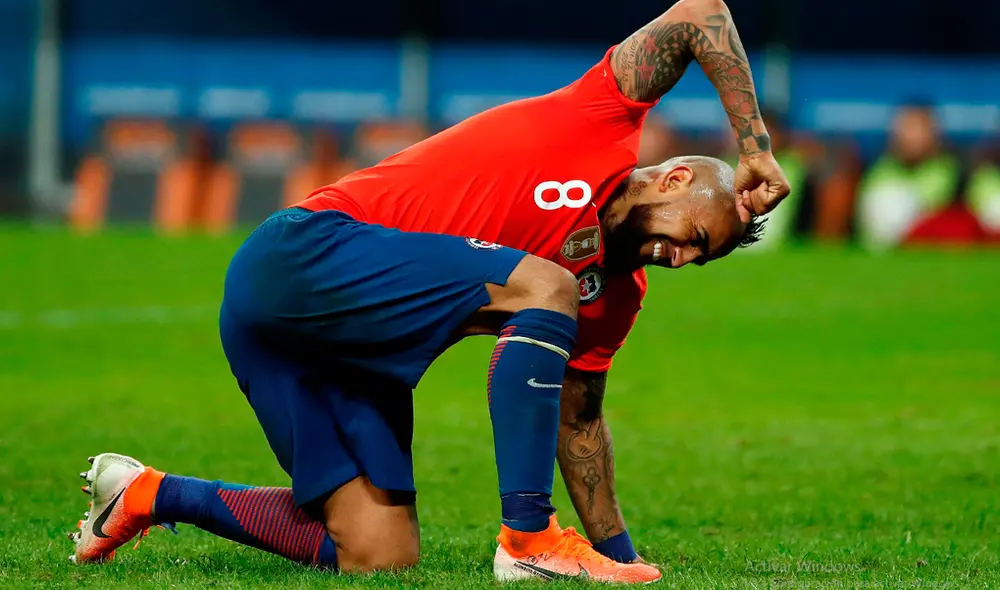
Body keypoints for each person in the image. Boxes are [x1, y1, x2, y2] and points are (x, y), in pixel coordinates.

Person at [68, 0, 789, 583]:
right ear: (674, 179)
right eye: (695, 233)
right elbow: (699, 13)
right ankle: (528, 539)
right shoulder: (597, 120)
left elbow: (578, 427)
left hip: (348, 348)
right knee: (549, 283)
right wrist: (755, 144)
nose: (682, 256)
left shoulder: (615, 296)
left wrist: (622, 558)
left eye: (702, 259)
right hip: (301, 257)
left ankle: (146, 493)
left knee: (376, 550)